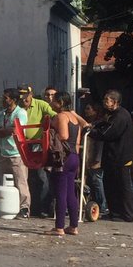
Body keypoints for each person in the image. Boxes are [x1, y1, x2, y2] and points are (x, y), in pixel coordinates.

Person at [90, 89, 133, 222]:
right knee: (110, 185)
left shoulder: (121, 116)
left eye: (107, 100)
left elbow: (108, 133)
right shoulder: (110, 114)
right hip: (111, 157)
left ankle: (127, 214)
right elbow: (103, 124)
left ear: (115, 102)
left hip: (121, 157)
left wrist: (93, 132)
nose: (105, 103)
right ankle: (114, 212)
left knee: (123, 186)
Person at [49, 91, 89, 236]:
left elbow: (64, 136)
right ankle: (73, 226)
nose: (51, 103)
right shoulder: (74, 119)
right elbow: (77, 141)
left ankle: (59, 227)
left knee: (61, 192)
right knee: (71, 192)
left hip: (63, 158)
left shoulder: (61, 116)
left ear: (60, 102)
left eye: (53, 100)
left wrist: (52, 139)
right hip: (74, 156)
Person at [0, 88, 30, 218]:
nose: (3, 100)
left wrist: (4, 130)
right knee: (5, 182)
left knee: (21, 182)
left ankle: (24, 208)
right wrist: (6, 130)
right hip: (4, 153)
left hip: (17, 153)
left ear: (13, 100)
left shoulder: (21, 113)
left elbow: (16, 131)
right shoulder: (1, 114)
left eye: (6, 98)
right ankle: (7, 207)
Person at [18, 85, 56, 217]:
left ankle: (43, 208)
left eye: (26, 97)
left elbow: (55, 116)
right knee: (25, 178)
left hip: (38, 144)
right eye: (21, 98)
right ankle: (29, 208)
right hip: (22, 145)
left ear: (31, 95)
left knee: (41, 177)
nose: (23, 101)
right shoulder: (18, 108)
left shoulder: (41, 105)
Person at [82, 102, 107, 213]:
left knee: (97, 180)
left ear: (95, 111)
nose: (86, 111)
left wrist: (97, 159)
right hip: (87, 156)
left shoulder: (98, 125)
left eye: (88, 108)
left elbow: (100, 143)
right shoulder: (88, 124)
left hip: (96, 157)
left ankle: (102, 205)